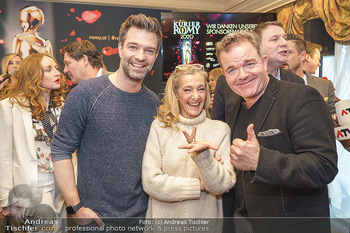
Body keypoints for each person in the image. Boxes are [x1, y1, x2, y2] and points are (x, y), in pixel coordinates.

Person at [215, 30, 338, 233]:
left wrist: (260, 161)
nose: (242, 75)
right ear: (224, 75)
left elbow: (323, 166)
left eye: (249, 64)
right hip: (243, 222)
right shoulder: (237, 106)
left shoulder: (301, 97)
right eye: (232, 70)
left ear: (264, 62)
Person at [51, 13, 162, 228]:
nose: (140, 56)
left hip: (142, 219)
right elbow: (60, 150)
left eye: (149, 50)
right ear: (120, 48)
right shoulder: (86, 93)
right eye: (133, 47)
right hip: (95, 221)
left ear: (155, 55)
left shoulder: (153, 102)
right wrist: (75, 207)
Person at [142, 64, 235, 222]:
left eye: (201, 89)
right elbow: (151, 182)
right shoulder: (160, 127)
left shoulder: (220, 130)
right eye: (187, 90)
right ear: (176, 94)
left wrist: (204, 157)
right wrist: (200, 185)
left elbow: (223, 185)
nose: (196, 96)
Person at [0, 53, 68, 218]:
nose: (56, 73)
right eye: (48, 69)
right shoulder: (9, 106)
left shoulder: (62, 105)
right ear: (33, 74)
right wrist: (5, 199)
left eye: (56, 68)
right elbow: (4, 155)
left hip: (63, 183)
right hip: (34, 184)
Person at [211, 21, 304, 123]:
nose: (284, 43)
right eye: (274, 39)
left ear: (263, 62)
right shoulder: (226, 83)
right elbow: (218, 124)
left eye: (285, 38)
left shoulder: (298, 86)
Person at [285, 34, 337, 114]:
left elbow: (334, 115)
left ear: (303, 56)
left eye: (288, 53)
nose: (283, 57)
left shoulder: (325, 85)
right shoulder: (271, 84)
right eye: (281, 53)